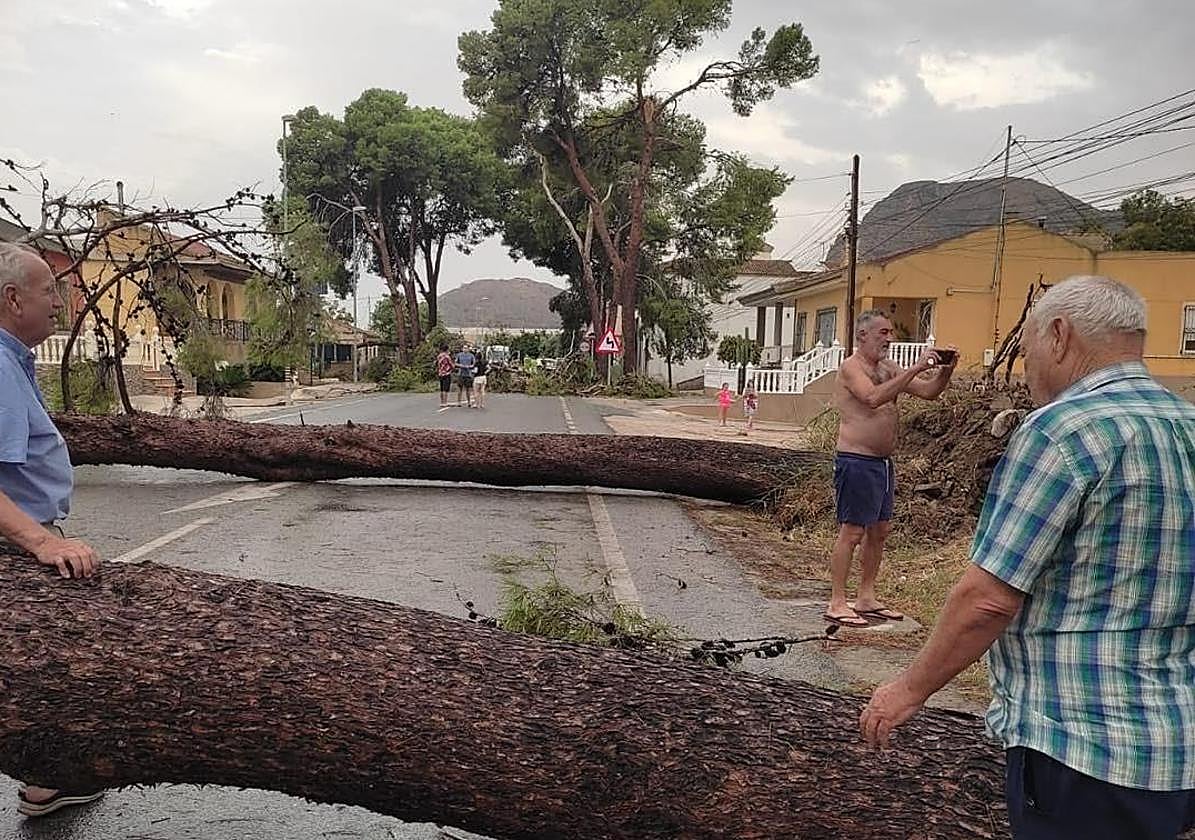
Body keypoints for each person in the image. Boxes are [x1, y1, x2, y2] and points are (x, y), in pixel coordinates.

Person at [861, 277, 1195, 839]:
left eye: (1028, 347)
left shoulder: (1064, 431)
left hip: (1083, 749)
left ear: (1059, 336)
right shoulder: (1187, 426)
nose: (1026, 365)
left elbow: (988, 599)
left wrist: (907, 689)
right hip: (1177, 745)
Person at [0, 243, 105, 818]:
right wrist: (42, 542)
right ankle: (46, 780)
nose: (62, 303)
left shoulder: (12, 360)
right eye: (50, 291)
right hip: (15, 542)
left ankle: (47, 777)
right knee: (52, 655)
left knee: (42, 657)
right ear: (14, 300)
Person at [825, 310, 956, 628]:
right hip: (856, 460)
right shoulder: (851, 368)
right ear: (862, 335)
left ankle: (866, 597)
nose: (889, 338)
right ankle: (837, 601)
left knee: (879, 531)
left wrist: (945, 371)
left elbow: (928, 392)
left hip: (882, 464)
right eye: (883, 332)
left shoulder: (887, 368)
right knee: (852, 532)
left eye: (890, 332)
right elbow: (871, 398)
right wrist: (916, 367)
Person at [455, 343, 477, 408]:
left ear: (468, 349)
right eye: (464, 348)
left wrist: (470, 366)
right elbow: (455, 363)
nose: (465, 349)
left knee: (468, 389)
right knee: (459, 388)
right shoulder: (459, 355)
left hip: (468, 374)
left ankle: (469, 402)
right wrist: (461, 365)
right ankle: (459, 402)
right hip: (461, 374)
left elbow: (474, 364)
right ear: (462, 349)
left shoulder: (471, 355)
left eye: (466, 348)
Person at [435, 342, 453, 408]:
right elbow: (451, 365)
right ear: (447, 349)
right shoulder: (447, 356)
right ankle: (445, 402)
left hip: (440, 373)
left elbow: (437, 364)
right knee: (446, 388)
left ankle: (442, 402)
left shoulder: (439, 356)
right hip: (446, 373)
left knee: (442, 388)